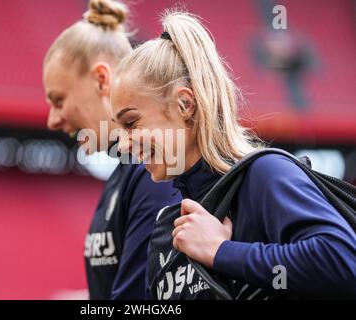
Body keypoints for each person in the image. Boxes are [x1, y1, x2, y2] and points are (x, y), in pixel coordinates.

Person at [110, 10, 356, 299]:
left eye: (131, 123)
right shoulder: (168, 226)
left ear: (185, 105)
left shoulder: (263, 175)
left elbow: (344, 261)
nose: (124, 145)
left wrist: (222, 252)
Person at [42, 0, 181, 300]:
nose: (52, 120)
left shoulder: (154, 171)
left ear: (101, 79)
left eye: (58, 100)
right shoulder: (126, 172)